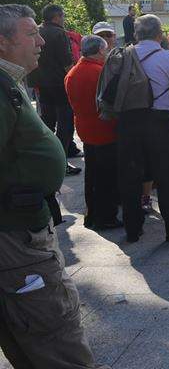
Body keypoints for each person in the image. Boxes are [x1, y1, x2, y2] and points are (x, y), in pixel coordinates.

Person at [0, 5, 104, 369]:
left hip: (20, 232)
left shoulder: (9, 81)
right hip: (17, 239)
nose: (41, 41)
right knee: (56, 337)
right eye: (31, 33)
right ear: (3, 42)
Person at [117, 15, 169, 243]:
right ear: (159, 35)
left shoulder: (122, 56)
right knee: (166, 176)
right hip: (159, 121)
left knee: (130, 175)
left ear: (135, 34)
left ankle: (132, 228)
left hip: (128, 121)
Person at [64, 35, 121, 231]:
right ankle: (106, 216)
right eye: (105, 50)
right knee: (107, 177)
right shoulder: (99, 72)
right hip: (104, 129)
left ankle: (92, 215)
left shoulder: (73, 72)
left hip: (86, 129)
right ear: (99, 52)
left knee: (93, 176)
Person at [30, 4, 82, 174]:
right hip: (59, 84)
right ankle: (61, 162)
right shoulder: (59, 33)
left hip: (41, 83)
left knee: (47, 122)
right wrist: (75, 79)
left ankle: (47, 159)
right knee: (66, 124)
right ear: (57, 17)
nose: (64, 19)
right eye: (63, 16)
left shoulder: (36, 30)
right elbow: (67, 62)